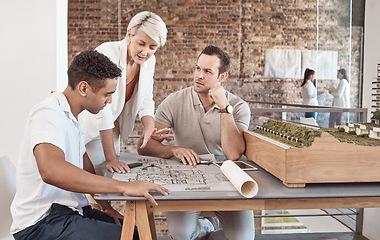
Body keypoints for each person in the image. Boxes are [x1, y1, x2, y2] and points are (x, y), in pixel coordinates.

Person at [10, 50, 170, 240]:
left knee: (137, 233)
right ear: (84, 88)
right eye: (107, 94)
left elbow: (84, 165)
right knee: (133, 238)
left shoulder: (73, 116)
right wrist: (122, 187)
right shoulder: (48, 113)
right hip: (40, 223)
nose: (110, 101)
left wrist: (105, 206)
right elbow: (51, 171)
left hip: (69, 211)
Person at [137, 46, 254, 240]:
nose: (199, 76)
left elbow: (233, 154)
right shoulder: (174, 101)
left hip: (226, 181)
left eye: (207, 71)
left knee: (243, 238)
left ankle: (206, 231)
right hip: (187, 178)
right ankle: (205, 227)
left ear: (222, 76)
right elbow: (144, 146)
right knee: (182, 235)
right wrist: (173, 149)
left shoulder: (239, 107)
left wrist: (225, 109)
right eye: (197, 68)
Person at [82, 11, 171, 174]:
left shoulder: (149, 61)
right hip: (90, 125)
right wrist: (111, 159)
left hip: (112, 128)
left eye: (153, 47)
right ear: (129, 34)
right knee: (91, 182)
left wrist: (149, 127)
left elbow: (146, 99)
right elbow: (103, 109)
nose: (145, 52)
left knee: (107, 182)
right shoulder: (106, 53)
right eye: (141, 43)